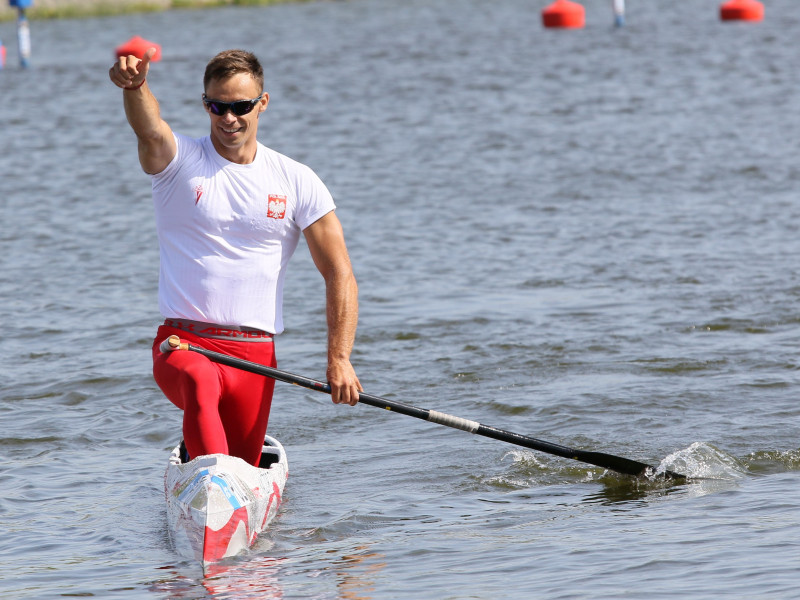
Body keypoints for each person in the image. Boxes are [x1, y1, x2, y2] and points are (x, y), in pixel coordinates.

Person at [109, 48, 361, 467]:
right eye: (217, 106)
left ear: (262, 103)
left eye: (240, 107)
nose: (228, 118)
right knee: (198, 380)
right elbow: (150, 130)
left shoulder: (297, 180)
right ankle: (210, 481)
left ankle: (224, 484)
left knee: (241, 463)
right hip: (183, 343)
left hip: (256, 355)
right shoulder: (179, 162)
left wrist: (339, 359)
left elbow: (339, 274)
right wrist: (136, 87)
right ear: (205, 104)